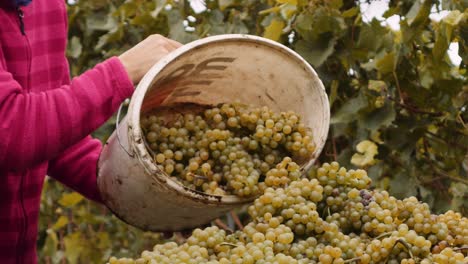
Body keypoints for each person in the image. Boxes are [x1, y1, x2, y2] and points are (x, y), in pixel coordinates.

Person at [0, 0, 182, 263]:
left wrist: (147, 193)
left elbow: (57, 137)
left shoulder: (48, 5)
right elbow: (12, 132)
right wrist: (121, 72)